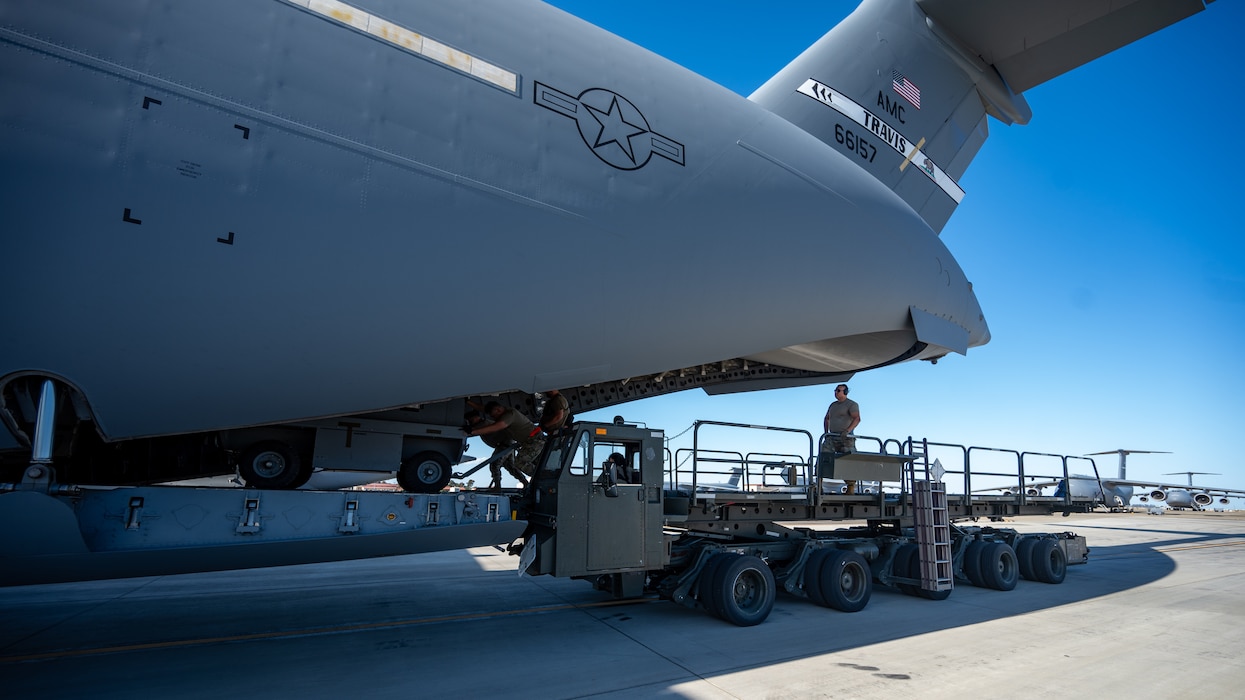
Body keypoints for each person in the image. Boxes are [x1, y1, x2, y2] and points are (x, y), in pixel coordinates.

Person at [466, 401, 545, 482]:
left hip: (535, 440)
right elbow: (484, 409)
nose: (494, 418)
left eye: (494, 416)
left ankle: (542, 479)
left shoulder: (509, 415)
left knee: (520, 462)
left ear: (498, 410)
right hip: (528, 441)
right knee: (519, 465)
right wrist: (468, 401)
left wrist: (472, 431)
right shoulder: (501, 412)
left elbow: (498, 426)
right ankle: (535, 480)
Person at [465, 410, 528, 490]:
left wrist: (468, 429)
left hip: (505, 445)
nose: (470, 422)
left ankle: (497, 487)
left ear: (477, 417)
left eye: (471, 420)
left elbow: (473, 430)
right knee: (510, 467)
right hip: (507, 445)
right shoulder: (483, 423)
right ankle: (525, 482)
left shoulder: (484, 424)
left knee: (494, 465)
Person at [823, 383, 861, 494]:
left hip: (846, 438)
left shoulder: (851, 404)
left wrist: (847, 431)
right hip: (832, 436)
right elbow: (826, 418)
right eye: (835, 390)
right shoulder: (833, 405)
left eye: (838, 390)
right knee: (824, 457)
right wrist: (826, 433)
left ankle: (850, 486)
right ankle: (819, 483)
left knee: (848, 460)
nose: (836, 392)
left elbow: (857, 418)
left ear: (845, 392)